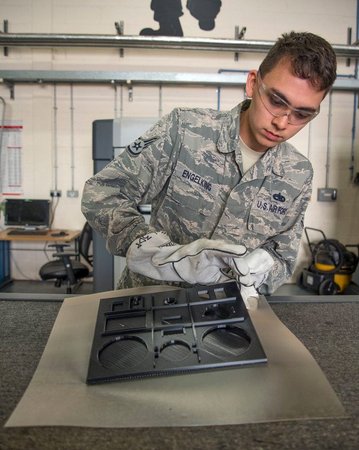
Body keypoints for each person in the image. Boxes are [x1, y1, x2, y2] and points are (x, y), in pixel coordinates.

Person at [81, 31, 337, 299]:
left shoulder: (297, 174)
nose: (282, 123)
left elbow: (281, 257)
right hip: (150, 302)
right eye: (276, 101)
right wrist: (149, 247)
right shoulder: (185, 131)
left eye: (302, 114)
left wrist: (258, 273)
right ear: (252, 84)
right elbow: (103, 193)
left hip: (226, 314)